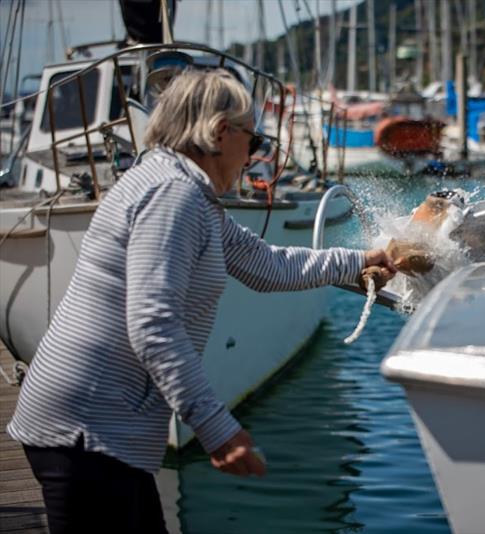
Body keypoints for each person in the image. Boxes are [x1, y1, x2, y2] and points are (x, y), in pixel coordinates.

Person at [6, 69, 396, 533]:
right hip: (86, 428)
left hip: (102, 429)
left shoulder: (184, 190)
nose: (255, 157)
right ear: (218, 132)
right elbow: (153, 324)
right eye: (254, 141)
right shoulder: (173, 195)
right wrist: (216, 428)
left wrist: (357, 261)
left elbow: (266, 264)